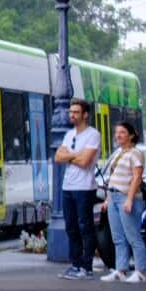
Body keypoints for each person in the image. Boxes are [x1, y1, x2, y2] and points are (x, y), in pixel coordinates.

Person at [55, 98, 101, 280]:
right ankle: (75, 264)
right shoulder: (69, 135)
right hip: (68, 186)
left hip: (84, 187)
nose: (71, 115)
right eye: (70, 112)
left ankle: (87, 267)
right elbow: (58, 157)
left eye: (75, 112)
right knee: (71, 226)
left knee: (85, 226)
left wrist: (69, 156)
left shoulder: (93, 135)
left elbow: (85, 161)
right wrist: (76, 155)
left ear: (85, 115)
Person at [100, 122, 146, 283]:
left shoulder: (136, 153)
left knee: (132, 236)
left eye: (122, 132)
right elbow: (112, 179)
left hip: (127, 198)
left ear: (131, 135)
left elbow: (137, 178)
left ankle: (140, 272)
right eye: (116, 133)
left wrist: (129, 200)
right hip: (114, 197)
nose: (118, 135)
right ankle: (120, 270)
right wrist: (107, 199)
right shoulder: (119, 154)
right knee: (118, 237)